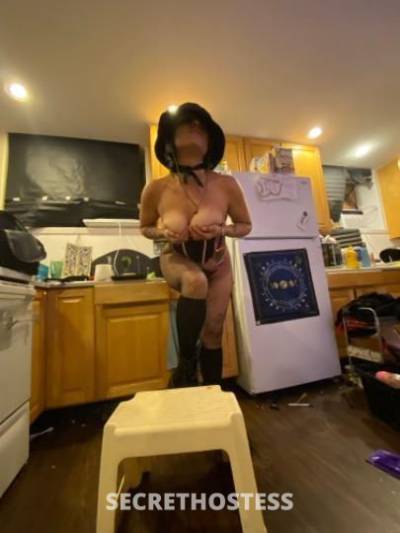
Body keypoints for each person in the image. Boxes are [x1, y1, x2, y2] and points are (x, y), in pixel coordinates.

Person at [140, 103, 252, 387]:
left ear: (210, 142)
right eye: (187, 122)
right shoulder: (156, 189)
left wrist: (222, 229)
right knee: (195, 280)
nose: (195, 126)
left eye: (201, 125)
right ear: (169, 141)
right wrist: (163, 232)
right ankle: (186, 367)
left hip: (219, 263)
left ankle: (213, 391)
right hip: (177, 259)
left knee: (214, 331)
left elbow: (245, 225)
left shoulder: (226, 184)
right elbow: (145, 228)